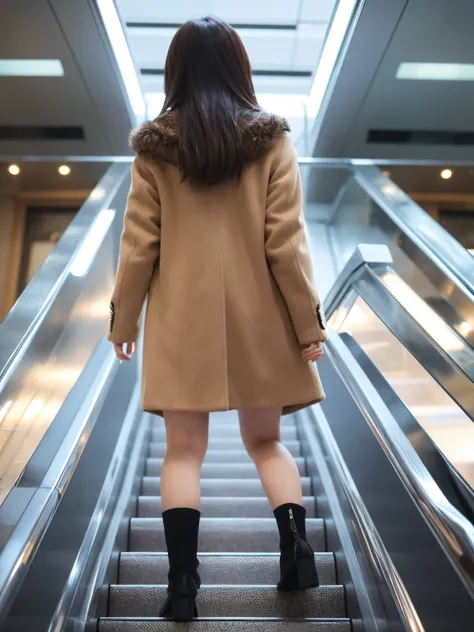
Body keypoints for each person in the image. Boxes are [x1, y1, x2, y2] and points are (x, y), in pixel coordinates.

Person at [107, 15, 327, 622]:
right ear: (239, 67)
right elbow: (287, 245)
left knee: (181, 451)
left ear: (175, 70)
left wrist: (123, 324)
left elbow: (138, 249)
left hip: (182, 324)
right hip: (263, 322)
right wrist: (309, 329)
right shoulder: (273, 142)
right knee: (267, 443)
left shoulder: (153, 150)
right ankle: (297, 551)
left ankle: (182, 584)